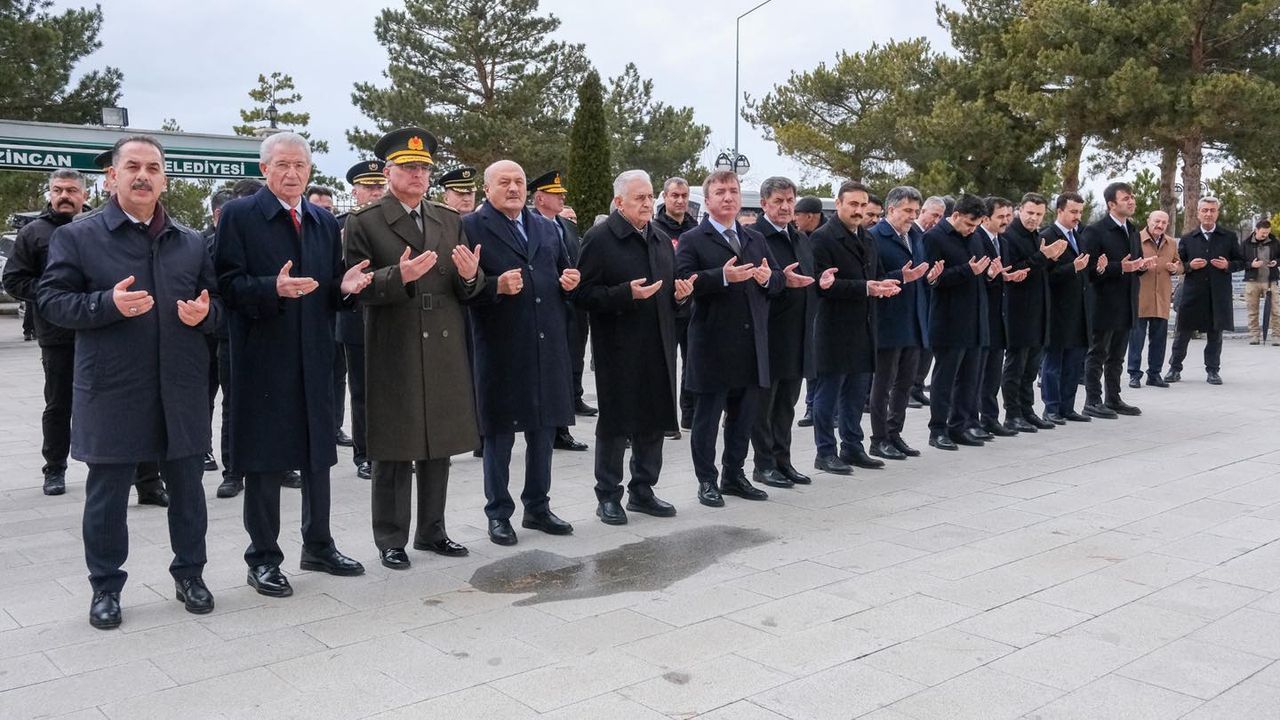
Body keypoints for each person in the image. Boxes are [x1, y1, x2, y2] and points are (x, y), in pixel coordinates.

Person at [38, 135, 219, 628]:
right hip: (113, 387)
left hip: (180, 386)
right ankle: (105, 587)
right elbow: (51, 301)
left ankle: (190, 574)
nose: (143, 176)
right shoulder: (78, 237)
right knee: (108, 494)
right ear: (111, 176)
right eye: (133, 166)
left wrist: (205, 315)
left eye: (153, 168)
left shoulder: (190, 242)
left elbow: (218, 305)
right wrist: (106, 304)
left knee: (188, 490)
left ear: (165, 180)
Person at [216, 132, 374, 598]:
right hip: (263, 354)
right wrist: (272, 288)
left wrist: (345, 288)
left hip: (315, 353)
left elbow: (329, 289)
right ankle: (263, 557)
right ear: (264, 169)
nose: (291, 173)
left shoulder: (322, 220)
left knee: (318, 456)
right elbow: (226, 285)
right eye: (282, 165)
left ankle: (319, 545)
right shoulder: (241, 216)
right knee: (265, 461)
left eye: (300, 165)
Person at [342, 128, 483, 569]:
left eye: (423, 168)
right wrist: (395, 277)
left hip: (442, 338)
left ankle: (432, 530)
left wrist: (471, 276)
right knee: (394, 446)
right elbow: (354, 288)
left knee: (439, 441)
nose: (418, 174)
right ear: (388, 173)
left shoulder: (448, 218)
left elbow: (466, 285)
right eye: (408, 167)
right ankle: (391, 537)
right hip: (395, 340)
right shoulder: (365, 222)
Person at [462, 160, 579, 546]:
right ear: (487, 188)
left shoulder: (545, 226)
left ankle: (538, 507)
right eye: (504, 182)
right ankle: (498, 513)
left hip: (547, 344)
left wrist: (570, 281)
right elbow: (460, 287)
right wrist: (494, 285)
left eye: (519, 182)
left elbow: (563, 271)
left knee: (543, 431)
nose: (513, 188)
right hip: (501, 346)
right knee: (500, 435)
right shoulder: (471, 226)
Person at [577, 170, 689, 524]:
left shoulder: (659, 238)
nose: (647, 203)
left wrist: (681, 297)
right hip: (618, 346)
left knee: (653, 419)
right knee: (616, 422)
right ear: (619, 201)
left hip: (658, 343)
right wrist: (625, 294)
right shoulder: (599, 238)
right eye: (639, 197)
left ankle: (643, 489)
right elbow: (582, 294)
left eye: (650, 196)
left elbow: (668, 293)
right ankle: (608, 495)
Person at [675, 169, 782, 505]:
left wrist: (767, 279)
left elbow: (777, 280)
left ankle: (734, 475)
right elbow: (682, 280)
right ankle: (707, 480)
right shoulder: (693, 239)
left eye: (733, 191)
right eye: (720, 192)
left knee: (743, 417)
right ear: (707, 200)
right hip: (713, 345)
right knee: (707, 420)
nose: (728, 197)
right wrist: (721, 276)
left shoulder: (755, 238)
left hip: (751, 345)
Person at [3, 169, 91, 496]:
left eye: (71, 190)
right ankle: (55, 469)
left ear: (84, 194)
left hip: (102, 330)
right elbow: (13, 280)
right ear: (50, 193)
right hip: (57, 334)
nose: (64, 195)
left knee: (112, 402)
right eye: (57, 190)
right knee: (58, 404)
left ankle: (129, 472)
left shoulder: (99, 227)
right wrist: (53, 293)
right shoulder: (34, 233)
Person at [810, 181, 902, 471]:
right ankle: (825, 452)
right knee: (828, 395)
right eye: (852, 204)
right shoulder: (822, 238)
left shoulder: (867, 237)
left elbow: (876, 276)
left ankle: (852, 446)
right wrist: (866, 288)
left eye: (863, 205)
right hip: (834, 329)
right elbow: (822, 285)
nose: (858, 210)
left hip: (864, 327)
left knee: (855, 394)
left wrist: (891, 282)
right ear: (838, 204)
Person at [749, 177, 817, 487]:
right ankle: (763, 465)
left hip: (797, 333)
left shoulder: (800, 238)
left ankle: (783, 460)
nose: (786, 207)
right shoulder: (754, 238)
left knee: (787, 404)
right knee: (764, 406)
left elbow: (808, 278)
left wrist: (821, 283)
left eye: (790, 200)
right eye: (778, 201)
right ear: (764, 204)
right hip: (768, 333)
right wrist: (779, 281)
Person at [867, 186, 933, 460]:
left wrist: (929, 277)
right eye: (907, 210)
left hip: (913, 319)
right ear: (891, 209)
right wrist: (901, 276)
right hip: (888, 319)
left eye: (916, 211)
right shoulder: (874, 236)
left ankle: (895, 433)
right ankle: (879, 438)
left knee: (905, 384)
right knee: (883, 384)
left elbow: (919, 274)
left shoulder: (916, 236)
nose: (912, 216)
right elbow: (873, 277)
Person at [530, 169, 593, 451]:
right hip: (546, 306)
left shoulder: (566, 226)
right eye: (555, 194)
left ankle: (564, 422)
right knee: (549, 371)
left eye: (562, 194)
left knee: (570, 362)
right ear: (540, 198)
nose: (562, 198)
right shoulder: (530, 225)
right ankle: (554, 430)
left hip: (572, 302)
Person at [335, 159, 389, 481]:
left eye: (379, 186)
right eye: (368, 187)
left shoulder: (395, 221)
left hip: (391, 315)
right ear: (355, 192)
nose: (375, 192)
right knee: (363, 390)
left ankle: (394, 449)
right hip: (357, 317)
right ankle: (365, 454)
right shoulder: (341, 225)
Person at [923, 194, 990, 450]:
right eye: (969, 224)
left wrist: (989, 274)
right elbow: (932, 280)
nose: (972, 229)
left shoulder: (976, 237)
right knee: (945, 379)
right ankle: (938, 429)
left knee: (969, 378)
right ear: (956, 215)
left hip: (975, 318)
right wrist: (967, 271)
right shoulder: (934, 237)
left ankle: (959, 426)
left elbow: (979, 273)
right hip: (948, 319)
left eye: (976, 225)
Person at [1081, 181, 1153, 417]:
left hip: (1127, 303)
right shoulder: (1095, 231)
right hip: (1103, 303)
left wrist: (1141, 266)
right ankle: (1092, 400)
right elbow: (1089, 270)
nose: (1131, 201)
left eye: (1132, 197)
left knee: (1117, 356)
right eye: (1125, 198)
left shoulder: (1132, 230)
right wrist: (1119, 267)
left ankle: (1113, 398)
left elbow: (1133, 264)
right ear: (1111, 204)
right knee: (1097, 353)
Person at [1000, 193, 1068, 432]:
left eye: (1039, 214)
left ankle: (1027, 410)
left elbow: (1040, 270)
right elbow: (1014, 270)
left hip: (1039, 309)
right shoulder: (1009, 236)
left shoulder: (1037, 236)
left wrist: (1052, 259)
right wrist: (1043, 256)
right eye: (1030, 212)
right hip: (1018, 310)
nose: (1034, 218)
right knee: (1016, 366)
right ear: (1020, 210)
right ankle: (1012, 414)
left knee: (1031, 367)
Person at [1166, 197, 1244, 385]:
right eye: (1205, 210)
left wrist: (1228, 265)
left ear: (1217, 213)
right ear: (1198, 213)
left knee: (1215, 335)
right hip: (1192, 294)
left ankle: (1213, 371)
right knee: (1182, 333)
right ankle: (1174, 368)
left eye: (1212, 210)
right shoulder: (1188, 238)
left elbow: (1242, 262)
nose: (1208, 214)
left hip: (1218, 294)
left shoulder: (1228, 237)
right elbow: (1178, 265)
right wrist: (1189, 266)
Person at [975, 196, 1026, 438]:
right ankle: (972, 419)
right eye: (1001, 217)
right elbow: (978, 278)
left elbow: (998, 275)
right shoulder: (976, 240)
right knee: (978, 373)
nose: (1006, 221)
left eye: (1008, 216)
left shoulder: (1002, 241)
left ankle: (990, 418)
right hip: (981, 315)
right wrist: (991, 277)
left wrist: (1007, 278)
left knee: (993, 371)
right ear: (985, 218)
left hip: (1000, 316)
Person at [1040, 192, 1093, 424]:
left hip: (1080, 311)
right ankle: (1051, 408)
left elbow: (1085, 272)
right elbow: (1045, 275)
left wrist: (1097, 269)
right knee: (1054, 363)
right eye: (1073, 211)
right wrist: (1073, 267)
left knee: (1074, 363)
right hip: (1057, 310)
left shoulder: (1079, 237)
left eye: (1080, 212)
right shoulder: (1047, 236)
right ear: (1059, 210)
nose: (1077, 216)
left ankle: (1067, 407)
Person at [654, 177, 700, 434]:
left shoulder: (696, 229)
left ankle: (689, 415)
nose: (680, 200)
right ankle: (666, 419)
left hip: (693, 306)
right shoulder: (655, 229)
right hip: (666, 307)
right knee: (666, 365)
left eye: (684, 196)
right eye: (675, 196)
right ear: (665, 197)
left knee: (693, 363)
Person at [1127, 210, 1181, 388]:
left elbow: (1179, 264)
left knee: (1159, 340)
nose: (1160, 225)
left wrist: (1175, 268)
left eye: (1164, 223)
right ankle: (1134, 373)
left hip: (1162, 297)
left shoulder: (1171, 242)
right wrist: (1140, 265)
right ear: (1148, 221)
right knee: (1136, 339)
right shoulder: (1135, 239)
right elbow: (1127, 264)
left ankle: (1154, 374)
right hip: (1140, 296)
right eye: (1157, 221)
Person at [911, 195, 949, 408]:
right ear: (923, 211)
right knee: (914, 348)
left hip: (931, 296)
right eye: (934, 215)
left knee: (927, 347)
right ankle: (908, 387)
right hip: (916, 294)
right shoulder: (912, 233)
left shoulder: (932, 235)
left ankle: (917, 387)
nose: (936, 220)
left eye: (940, 217)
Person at [793, 195, 826, 428]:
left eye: (798, 214)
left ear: (810, 216)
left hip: (824, 307)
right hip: (808, 306)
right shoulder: (802, 237)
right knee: (811, 359)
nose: (794, 219)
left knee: (819, 361)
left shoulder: (823, 238)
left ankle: (819, 408)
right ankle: (811, 406)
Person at [1240, 220, 1279, 346]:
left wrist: (1276, 262)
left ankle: (1276, 336)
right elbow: (1239, 262)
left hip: (1271, 281)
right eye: (1263, 233)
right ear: (1256, 230)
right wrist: (1251, 265)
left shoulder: (1275, 242)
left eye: (1267, 233)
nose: (1265, 235)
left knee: (1276, 310)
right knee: (1252, 309)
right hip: (1252, 281)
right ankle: (1254, 335)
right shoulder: (1246, 244)